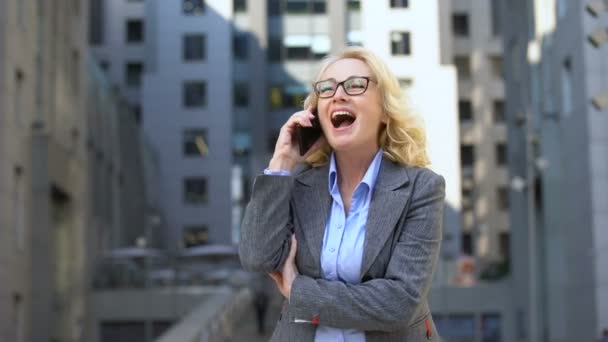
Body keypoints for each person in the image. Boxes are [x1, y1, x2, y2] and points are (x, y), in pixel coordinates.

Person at [239, 46, 445, 341]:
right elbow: (258, 258)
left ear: (385, 111)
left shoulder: (422, 188)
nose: (338, 94)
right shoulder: (297, 185)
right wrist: (281, 162)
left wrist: (300, 292)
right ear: (317, 115)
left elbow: (399, 303)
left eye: (355, 85)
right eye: (326, 88)